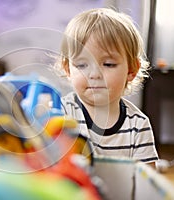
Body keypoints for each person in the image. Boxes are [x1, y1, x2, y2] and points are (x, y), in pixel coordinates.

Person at [55, 8, 159, 165]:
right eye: (82, 65)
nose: (94, 74)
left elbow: (145, 180)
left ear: (131, 70)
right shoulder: (61, 114)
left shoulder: (138, 125)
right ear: (68, 69)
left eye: (108, 64)